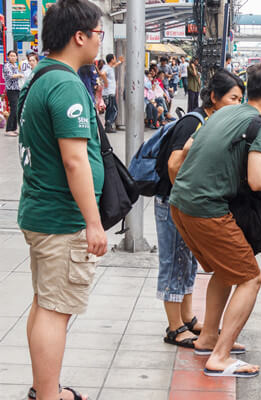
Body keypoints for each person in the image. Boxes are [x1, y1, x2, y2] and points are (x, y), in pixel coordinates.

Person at [169, 63, 261, 378]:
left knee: (224, 271)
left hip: (180, 203)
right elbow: (258, 180)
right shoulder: (259, 126)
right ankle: (219, 357)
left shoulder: (222, 113)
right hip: (207, 209)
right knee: (251, 278)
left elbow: (189, 148)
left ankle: (208, 337)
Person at [17, 1, 105, 399]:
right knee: (55, 310)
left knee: (45, 304)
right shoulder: (66, 83)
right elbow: (74, 160)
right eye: (99, 33)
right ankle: (49, 396)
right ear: (80, 36)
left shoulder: (40, 77)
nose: (100, 41)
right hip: (61, 218)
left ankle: (44, 388)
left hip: (40, 210)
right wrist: (93, 221)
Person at [156, 70, 245, 349]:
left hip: (183, 204)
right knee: (173, 262)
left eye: (241, 99)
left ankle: (187, 318)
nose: (237, 105)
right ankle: (174, 328)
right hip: (174, 203)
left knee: (187, 262)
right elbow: (173, 165)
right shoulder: (193, 123)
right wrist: (183, 198)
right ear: (214, 98)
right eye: (233, 98)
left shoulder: (212, 122)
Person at [100, 53, 123, 133]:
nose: (115, 59)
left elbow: (113, 66)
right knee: (114, 110)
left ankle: (108, 126)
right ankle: (109, 124)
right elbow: (102, 74)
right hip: (109, 93)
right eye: (114, 58)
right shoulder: (107, 68)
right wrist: (106, 83)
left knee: (110, 110)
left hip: (109, 93)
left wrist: (119, 62)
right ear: (112, 60)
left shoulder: (109, 67)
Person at [3, 50, 24, 136]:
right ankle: (8, 129)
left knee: (17, 109)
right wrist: (20, 75)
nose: (12, 57)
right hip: (11, 90)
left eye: (14, 56)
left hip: (17, 89)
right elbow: (11, 75)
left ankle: (14, 128)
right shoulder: (7, 66)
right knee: (14, 109)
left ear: (16, 57)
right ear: (8, 57)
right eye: (11, 56)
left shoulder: (15, 65)